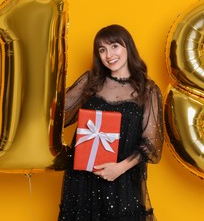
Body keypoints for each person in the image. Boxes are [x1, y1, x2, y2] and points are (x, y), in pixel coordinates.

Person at [56, 24, 164, 221]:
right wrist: (9, 130)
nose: (108, 54)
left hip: (121, 178)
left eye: (114, 46)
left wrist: (119, 168)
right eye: (102, 49)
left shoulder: (147, 90)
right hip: (82, 178)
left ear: (127, 47)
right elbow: (53, 117)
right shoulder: (90, 82)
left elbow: (151, 143)